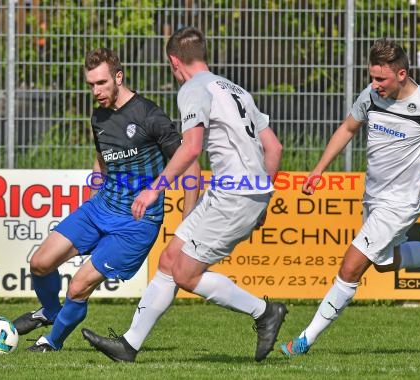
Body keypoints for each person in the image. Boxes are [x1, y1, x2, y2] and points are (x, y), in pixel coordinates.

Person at [81, 26, 287, 362]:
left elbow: (191, 148)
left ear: (175, 61)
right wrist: (264, 194)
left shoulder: (193, 88)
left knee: (186, 274)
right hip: (239, 191)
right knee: (169, 259)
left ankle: (264, 312)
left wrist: (153, 189)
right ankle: (129, 346)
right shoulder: (236, 89)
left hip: (232, 195)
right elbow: (274, 148)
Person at [280, 38, 420, 357]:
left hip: (400, 204)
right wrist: (319, 169)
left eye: (381, 79)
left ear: (401, 74)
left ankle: (304, 340)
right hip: (374, 199)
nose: (374, 85)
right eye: (372, 77)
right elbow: (348, 128)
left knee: (350, 268)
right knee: (385, 262)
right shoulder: (372, 96)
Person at [12, 47, 200, 352]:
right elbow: (101, 160)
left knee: (78, 286)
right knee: (40, 264)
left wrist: (188, 220)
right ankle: (49, 312)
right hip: (100, 209)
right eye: (91, 85)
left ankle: (52, 342)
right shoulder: (98, 116)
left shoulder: (148, 114)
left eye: (101, 83)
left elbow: (191, 164)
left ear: (119, 77)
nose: (96, 91)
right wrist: (90, 200)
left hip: (136, 224)